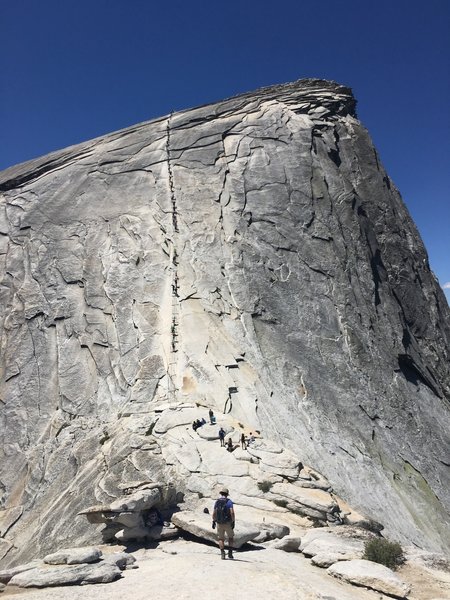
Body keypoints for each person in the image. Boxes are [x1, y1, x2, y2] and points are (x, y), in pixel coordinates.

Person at [212, 488, 235, 559]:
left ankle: (222, 553)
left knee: (221, 539)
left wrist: (213, 521)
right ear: (227, 494)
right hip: (227, 523)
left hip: (219, 523)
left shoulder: (217, 502)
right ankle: (230, 553)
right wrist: (233, 521)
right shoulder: (229, 502)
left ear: (221, 493)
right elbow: (232, 512)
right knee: (230, 537)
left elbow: (214, 513)